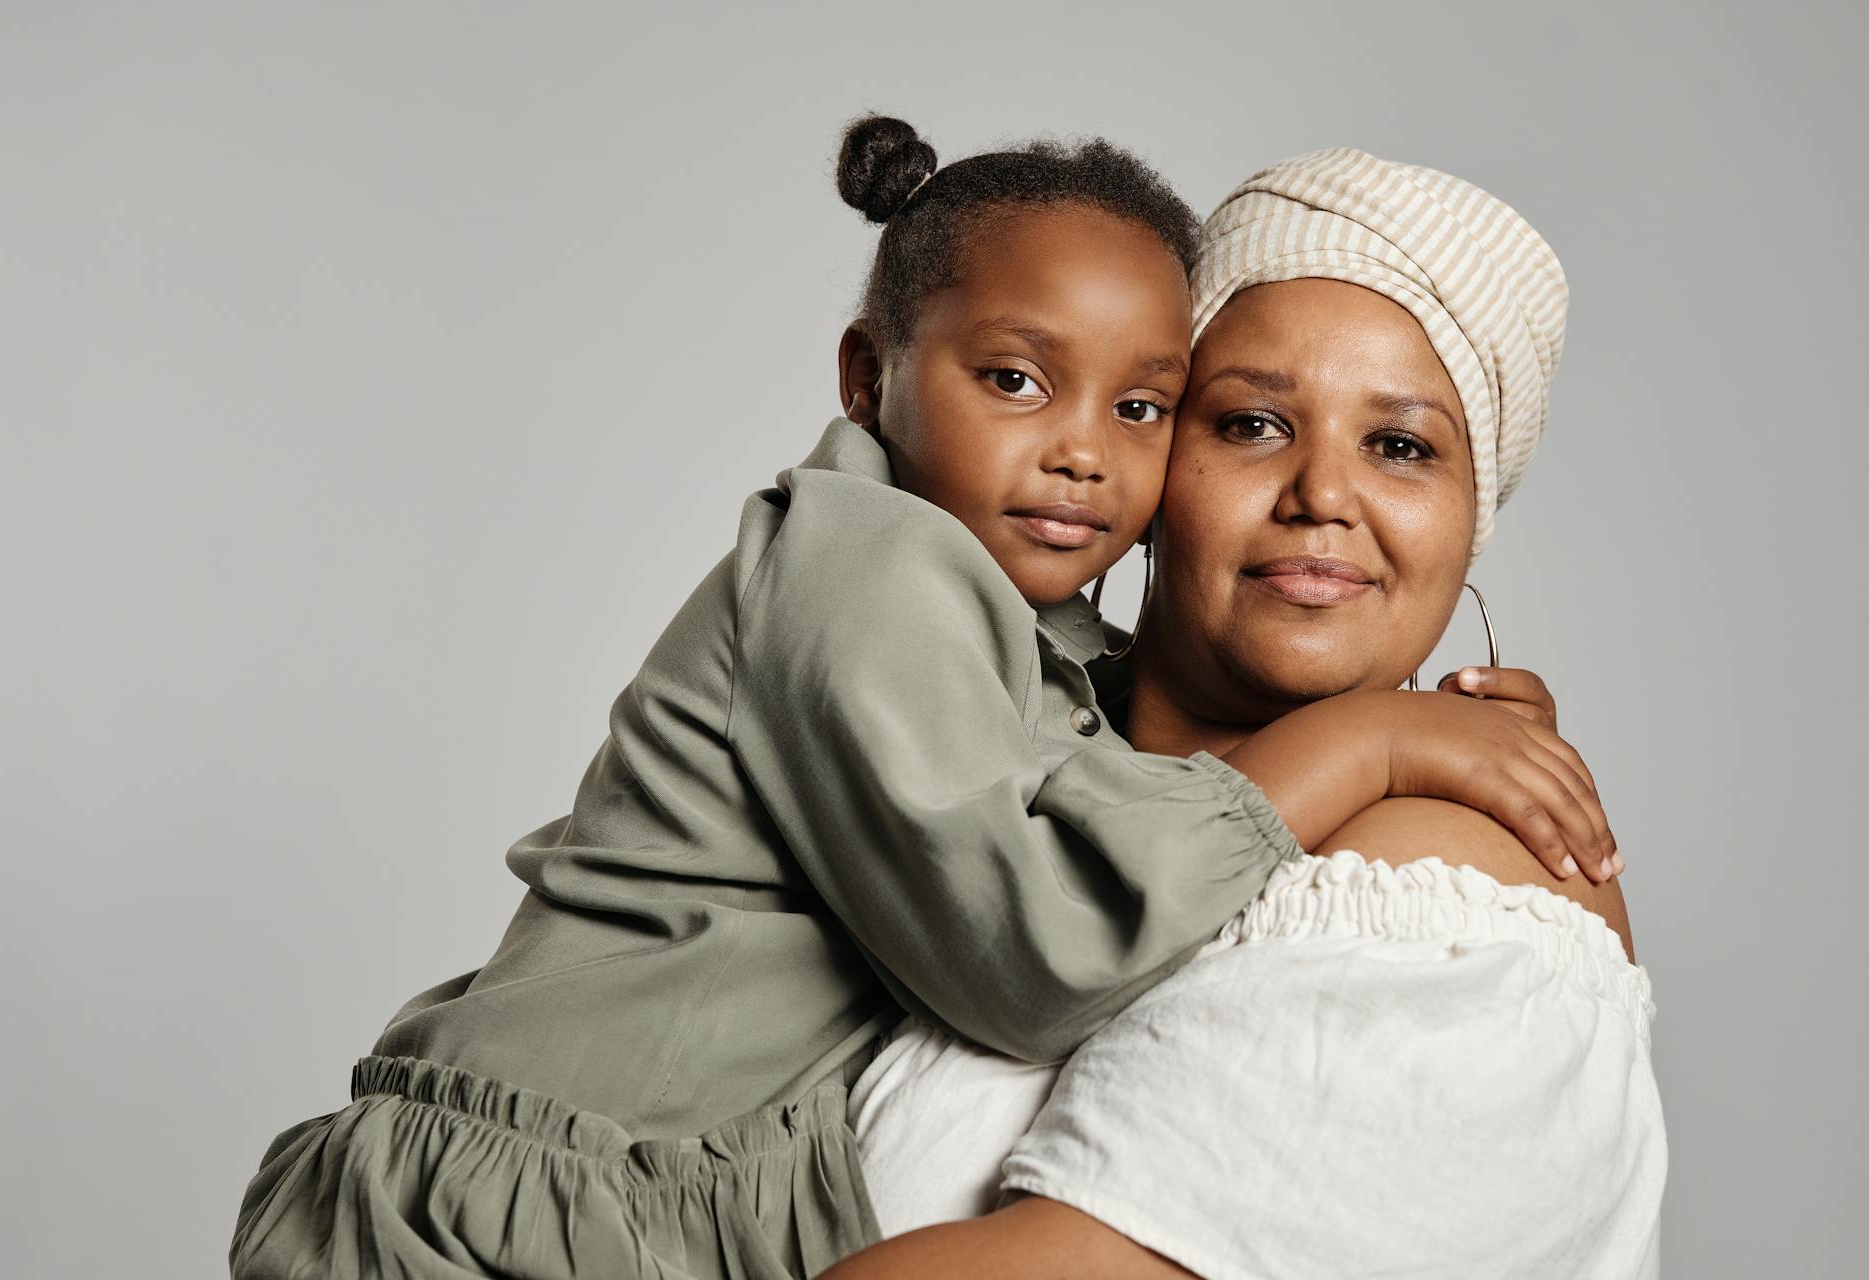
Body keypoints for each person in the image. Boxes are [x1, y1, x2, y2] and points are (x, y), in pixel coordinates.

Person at [231, 123, 1614, 1278]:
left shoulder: (1426, 911)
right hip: (503, 1213)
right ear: (865, 376)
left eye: (1137, 405)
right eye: (1246, 421)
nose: (1079, 453)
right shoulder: (871, 573)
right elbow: (1037, 935)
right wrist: (1371, 740)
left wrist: (1440, 743)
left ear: (1474, 515)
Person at [833, 149, 1664, 1280]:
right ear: (1148, 453)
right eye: (1252, 423)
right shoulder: (968, 749)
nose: (1322, 493)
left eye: (1402, 445)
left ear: (1469, 524)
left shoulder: (1456, 889)